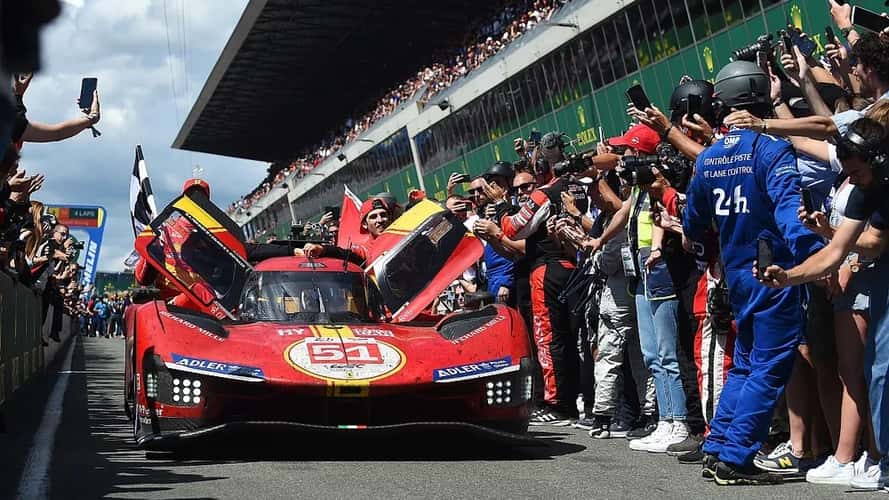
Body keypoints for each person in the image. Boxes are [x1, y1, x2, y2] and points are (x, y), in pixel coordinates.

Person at [682, 61, 824, 485]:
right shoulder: (769, 149)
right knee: (769, 365)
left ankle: (717, 446)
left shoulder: (707, 158)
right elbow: (790, 214)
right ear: (760, 95)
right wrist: (820, 260)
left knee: (745, 362)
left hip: (738, 274)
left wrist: (711, 251)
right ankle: (736, 457)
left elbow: (693, 224)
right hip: (774, 270)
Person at [758, 117, 889, 491]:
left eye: (859, 172)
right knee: (879, 370)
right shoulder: (867, 189)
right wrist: (789, 276)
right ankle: (884, 458)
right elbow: (841, 249)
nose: (855, 180)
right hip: (880, 278)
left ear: (877, 160)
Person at [493, 131, 591, 425]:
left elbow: (513, 228)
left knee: (549, 338)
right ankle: (585, 400)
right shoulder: (584, 183)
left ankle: (558, 404)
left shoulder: (545, 192)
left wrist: (501, 208)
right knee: (581, 339)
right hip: (580, 268)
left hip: (548, 271)